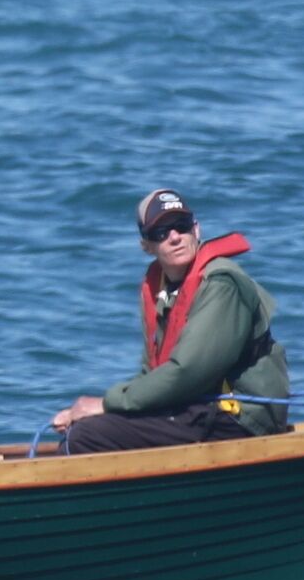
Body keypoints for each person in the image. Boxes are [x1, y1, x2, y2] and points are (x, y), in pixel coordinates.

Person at [53, 189, 292, 453]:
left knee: (85, 438)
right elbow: (153, 374)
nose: (175, 237)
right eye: (161, 232)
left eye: (182, 225)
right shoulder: (162, 290)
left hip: (239, 417)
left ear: (196, 230)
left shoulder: (221, 284)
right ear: (146, 246)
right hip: (194, 406)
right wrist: (96, 411)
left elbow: (188, 372)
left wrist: (107, 403)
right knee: (84, 428)